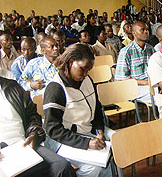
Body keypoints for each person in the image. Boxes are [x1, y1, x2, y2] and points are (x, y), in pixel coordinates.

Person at [43, 43, 114, 177]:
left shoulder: (87, 79)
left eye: (89, 70)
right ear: (71, 63)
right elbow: (53, 130)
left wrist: (99, 128)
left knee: (118, 142)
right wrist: (87, 143)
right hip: (62, 139)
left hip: (88, 130)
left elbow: (97, 107)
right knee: (92, 167)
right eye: (83, 69)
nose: (86, 74)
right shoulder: (56, 89)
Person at [0, 76, 76, 177]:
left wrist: (34, 133)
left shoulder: (12, 87)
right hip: (2, 154)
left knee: (62, 167)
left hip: (23, 145)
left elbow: (32, 115)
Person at [115, 21, 155, 103]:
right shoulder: (126, 52)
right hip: (135, 87)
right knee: (159, 95)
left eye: (147, 29)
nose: (146, 32)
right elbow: (122, 79)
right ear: (134, 33)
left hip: (151, 84)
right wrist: (146, 82)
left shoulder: (150, 49)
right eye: (142, 30)